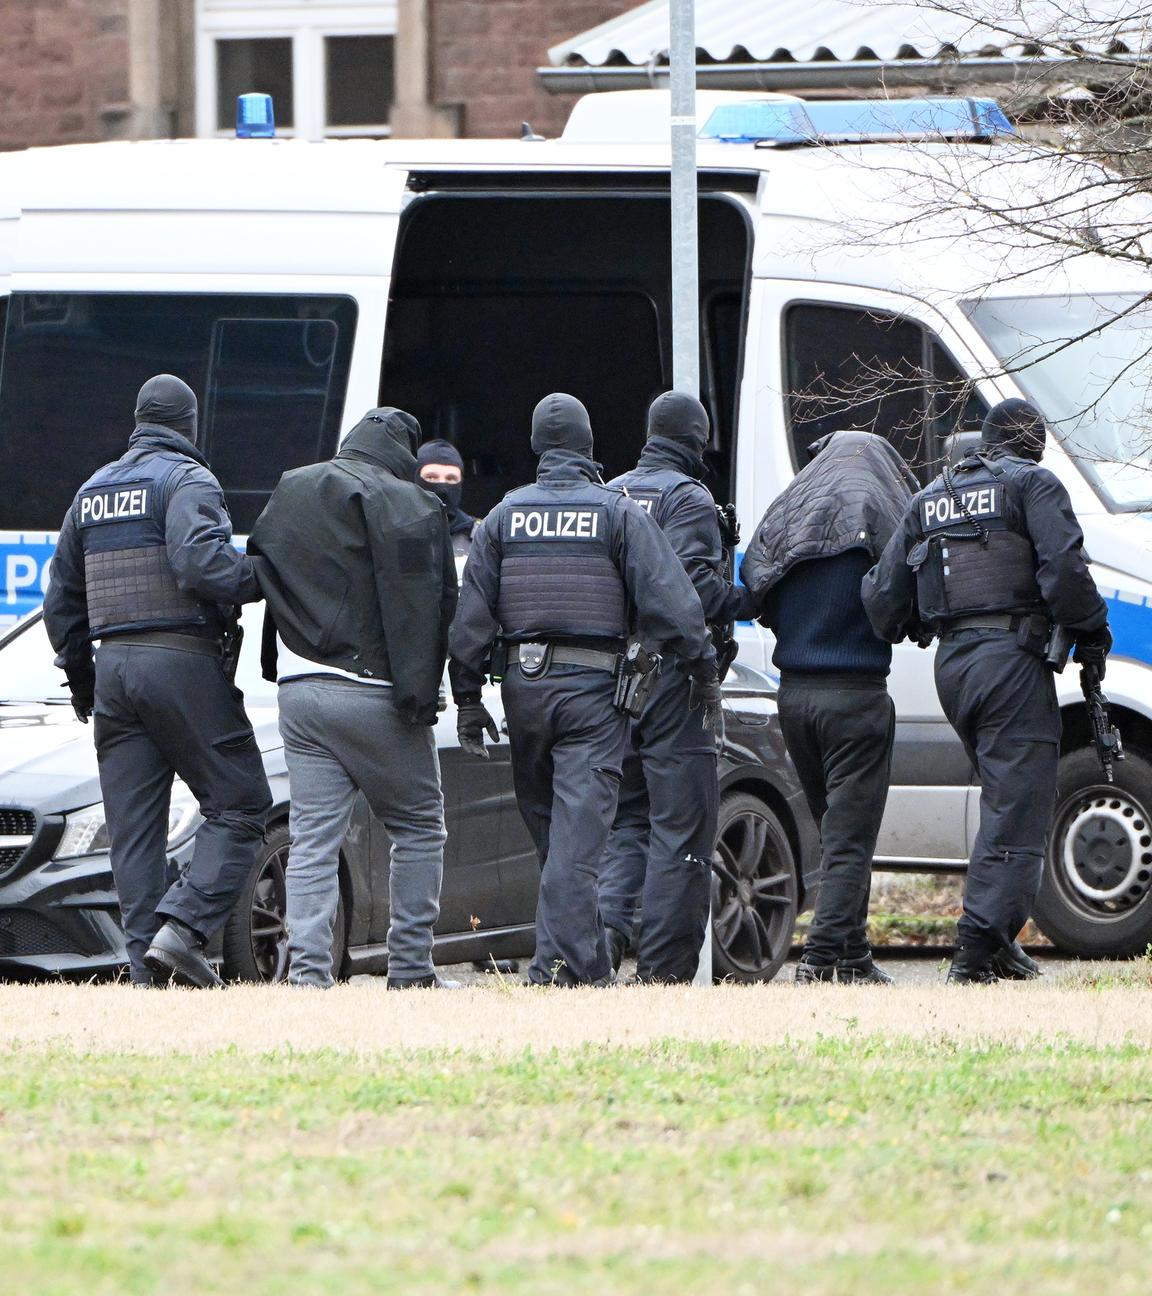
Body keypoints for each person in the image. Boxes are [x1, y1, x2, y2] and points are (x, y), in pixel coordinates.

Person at [448, 392, 722, 987]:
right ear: (589, 447)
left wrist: (468, 698)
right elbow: (673, 602)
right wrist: (701, 666)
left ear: (538, 449)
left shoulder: (501, 517)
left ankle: (555, 963)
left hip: (522, 688)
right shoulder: (616, 513)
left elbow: (470, 618)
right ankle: (579, 969)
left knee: (553, 834)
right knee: (576, 842)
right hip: (593, 696)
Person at [863, 399, 1110, 983]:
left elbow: (882, 601)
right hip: (1011, 665)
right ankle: (977, 948)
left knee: (1006, 799)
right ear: (1034, 444)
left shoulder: (931, 497)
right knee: (1018, 807)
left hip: (954, 668)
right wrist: (1095, 629)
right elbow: (1066, 573)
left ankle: (998, 942)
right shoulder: (1034, 486)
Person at [42, 374, 272, 988]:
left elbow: (61, 600)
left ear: (138, 420)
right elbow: (203, 567)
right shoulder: (187, 480)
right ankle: (184, 927)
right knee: (243, 804)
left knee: (134, 831)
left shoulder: (91, 492)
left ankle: (149, 970)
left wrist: (84, 681)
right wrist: (264, 575)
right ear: (189, 424)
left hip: (113, 668)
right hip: (180, 661)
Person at [248, 408, 458, 990]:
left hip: (299, 690)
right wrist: (423, 696)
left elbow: (264, 566)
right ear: (405, 452)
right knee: (418, 826)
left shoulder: (294, 486)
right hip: (372, 693)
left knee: (314, 838)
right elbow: (425, 605)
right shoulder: (413, 505)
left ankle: (308, 974)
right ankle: (411, 968)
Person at [741, 431, 917, 985]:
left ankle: (854, 954)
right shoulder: (885, 520)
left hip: (793, 698)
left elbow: (756, 590)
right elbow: (906, 606)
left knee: (835, 830)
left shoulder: (790, 521)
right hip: (856, 698)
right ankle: (819, 961)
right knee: (849, 838)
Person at [596, 392, 753, 981]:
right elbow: (691, 594)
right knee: (682, 827)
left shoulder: (610, 492)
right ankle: (662, 972)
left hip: (613, 681)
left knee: (626, 822)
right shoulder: (688, 498)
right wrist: (753, 594)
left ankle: (605, 944)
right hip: (671, 678)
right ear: (696, 438)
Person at [415, 439, 478, 558]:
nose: (442, 487)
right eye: (431, 477)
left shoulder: (480, 537)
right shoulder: (392, 531)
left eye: (451, 479)